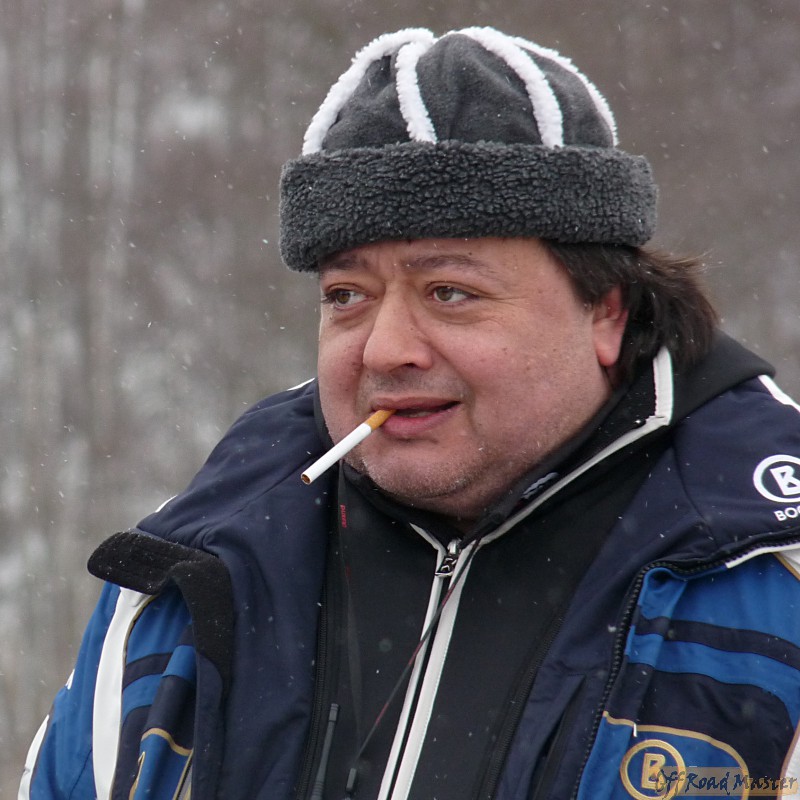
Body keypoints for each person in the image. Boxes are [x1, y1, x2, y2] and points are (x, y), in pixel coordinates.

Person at [20, 25, 800, 800]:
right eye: (346, 296)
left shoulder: (767, 571)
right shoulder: (192, 573)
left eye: (449, 292)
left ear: (605, 312)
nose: (386, 349)